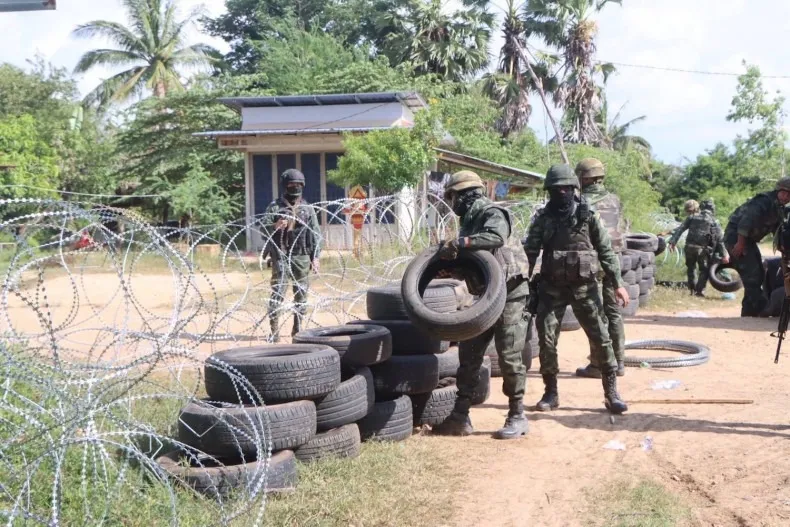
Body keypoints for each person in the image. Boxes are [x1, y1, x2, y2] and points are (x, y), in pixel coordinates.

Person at [431, 170, 531, 439]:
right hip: (485, 296)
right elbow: (476, 261)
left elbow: (495, 238)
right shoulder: (469, 223)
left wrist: (459, 243)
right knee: (469, 354)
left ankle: (517, 415)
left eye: (453, 197)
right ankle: (460, 417)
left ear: (464, 195)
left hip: (510, 292)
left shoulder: (491, 213)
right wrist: (450, 270)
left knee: (509, 355)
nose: (452, 204)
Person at [524, 164, 629, 414]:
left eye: (566, 188)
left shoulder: (588, 215)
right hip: (551, 288)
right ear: (549, 190)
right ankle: (551, 393)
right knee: (547, 341)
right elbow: (529, 252)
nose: (562, 193)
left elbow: (605, 251)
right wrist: (523, 285)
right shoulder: (543, 218)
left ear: (574, 188)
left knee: (602, 339)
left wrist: (618, 284)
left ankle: (611, 392)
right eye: (556, 189)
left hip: (585, 288)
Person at [572, 158, 627, 379]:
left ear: (583, 178)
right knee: (613, 313)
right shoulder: (615, 200)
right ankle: (619, 362)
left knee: (594, 314)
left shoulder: (580, 201)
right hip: (614, 259)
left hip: (591, 261)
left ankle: (598, 364)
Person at [262, 169, 321, 341]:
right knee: (278, 293)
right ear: (285, 185)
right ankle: (274, 331)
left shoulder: (307, 208)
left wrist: (315, 257)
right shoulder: (275, 207)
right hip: (280, 255)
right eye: (291, 185)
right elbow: (262, 227)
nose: (295, 188)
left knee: (301, 295)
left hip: (301, 256)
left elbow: (315, 234)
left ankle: (298, 328)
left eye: (298, 185)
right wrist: (275, 225)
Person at [724, 179, 790, 316]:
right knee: (753, 276)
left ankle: (749, 313)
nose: (786, 197)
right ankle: (759, 309)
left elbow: (777, 232)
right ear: (778, 191)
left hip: (748, 241)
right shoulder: (763, 201)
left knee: (758, 274)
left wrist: (783, 250)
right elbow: (745, 222)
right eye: (784, 193)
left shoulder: (779, 208)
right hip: (736, 238)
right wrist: (740, 244)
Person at [668, 199, 728, 297]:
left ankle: (692, 290)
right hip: (702, 250)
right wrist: (725, 254)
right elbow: (720, 239)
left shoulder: (691, 217)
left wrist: (673, 242)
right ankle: (699, 292)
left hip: (689, 247)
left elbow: (680, 228)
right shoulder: (714, 221)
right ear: (713, 209)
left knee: (691, 268)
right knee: (704, 270)